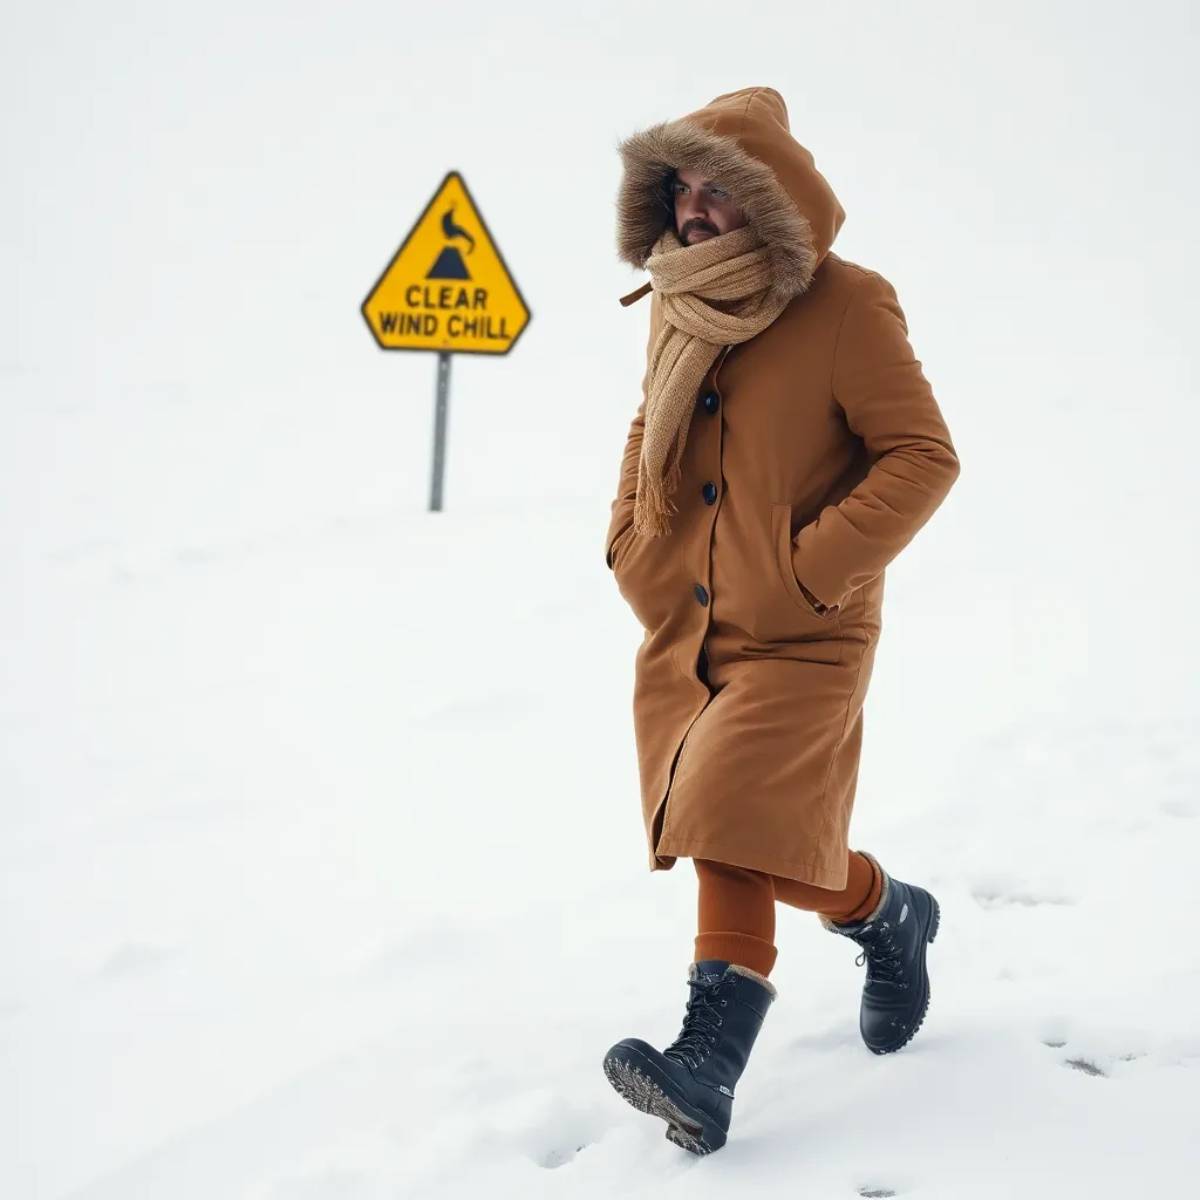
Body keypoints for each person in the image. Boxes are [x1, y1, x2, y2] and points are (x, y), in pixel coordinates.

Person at [600, 87, 961, 1156]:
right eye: (683, 189)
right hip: (692, 625)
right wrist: (631, 540)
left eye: (719, 190)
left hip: (807, 629)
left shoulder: (849, 305)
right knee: (767, 844)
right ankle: (889, 913)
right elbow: (646, 419)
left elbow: (923, 457)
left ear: (768, 200)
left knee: (720, 811)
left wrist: (815, 570)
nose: (696, 209)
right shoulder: (679, 295)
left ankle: (706, 1067)